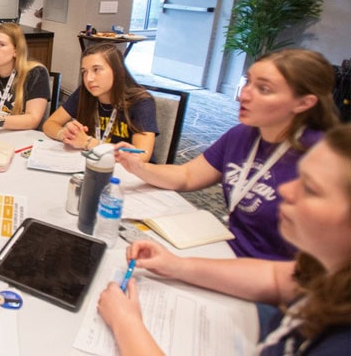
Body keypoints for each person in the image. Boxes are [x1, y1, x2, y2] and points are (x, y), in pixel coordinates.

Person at [98, 123, 351, 355]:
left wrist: (126, 324)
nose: (286, 190)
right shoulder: (327, 271)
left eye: (310, 188)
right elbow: (276, 277)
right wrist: (175, 265)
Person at [114, 49, 338, 261]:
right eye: (248, 82)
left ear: (303, 103)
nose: (243, 95)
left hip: (275, 278)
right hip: (228, 250)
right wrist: (139, 167)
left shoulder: (322, 158)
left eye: (264, 89)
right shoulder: (242, 135)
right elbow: (188, 175)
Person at [42, 43, 158, 162]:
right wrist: (64, 134)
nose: (89, 78)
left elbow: (141, 154)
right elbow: (49, 124)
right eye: (85, 72)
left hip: (128, 172)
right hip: (91, 164)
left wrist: (88, 143)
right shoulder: (84, 93)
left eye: (96, 70)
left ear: (117, 70)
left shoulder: (141, 102)